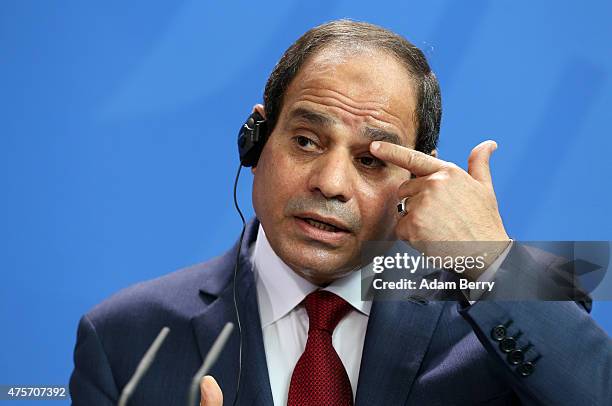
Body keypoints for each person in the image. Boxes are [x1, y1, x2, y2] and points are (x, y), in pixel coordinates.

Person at [69, 19, 611, 406]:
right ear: (256, 141)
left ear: (417, 178)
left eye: (372, 160)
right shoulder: (123, 337)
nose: (330, 183)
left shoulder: (524, 295)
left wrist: (488, 260)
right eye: (305, 141)